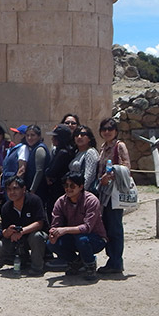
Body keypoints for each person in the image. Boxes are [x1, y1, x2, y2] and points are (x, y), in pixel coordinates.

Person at [47, 172, 108, 280]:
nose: (68, 189)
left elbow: (87, 228)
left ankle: (90, 265)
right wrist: (53, 233)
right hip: (73, 236)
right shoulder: (60, 202)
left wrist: (64, 230)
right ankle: (76, 262)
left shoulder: (91, 200)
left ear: (81, 187)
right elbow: (55, 223)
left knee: (82, 239)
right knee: (51, 243)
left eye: (72, 186)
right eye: (66, 185)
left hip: (95, 238)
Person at [96, 117, 131, 274]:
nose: (107, 132)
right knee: (107, 225)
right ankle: (112, 260)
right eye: (104, 129)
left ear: (116, 131)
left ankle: (116, 261)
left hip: (114, 192)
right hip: (104, 192)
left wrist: (109, 176)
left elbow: (126, 167)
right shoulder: (103, 147)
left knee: (115, 226)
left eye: (110, 129)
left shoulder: (119, 146)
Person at [0, 176, 47, 276]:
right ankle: (22, 260)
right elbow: (4, 233)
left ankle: (37, 267)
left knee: (36, 237)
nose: (12, 192)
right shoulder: (6, 207)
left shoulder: (34, 200)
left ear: (24, 189)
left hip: (35, 235)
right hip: (18, 239)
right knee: (0, 246)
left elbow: (40, 223)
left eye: (15, 188)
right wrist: (8, 232)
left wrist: (22, 231)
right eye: (9, 189)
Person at [45, 124, 76, 214]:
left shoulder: (63, 153)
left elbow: (51, 171)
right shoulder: (61, 150)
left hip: (58, 188)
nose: (52, 140)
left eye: (55, 137)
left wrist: (47, 173)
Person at [69, 125, 100, 195]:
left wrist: (79, 192)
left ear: (89, 138)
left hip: (83, 194)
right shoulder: (77, 152)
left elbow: (89, 176)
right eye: (76, 135)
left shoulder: (90, 152)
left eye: (83, 135)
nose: (79, 137)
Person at [23, 125, 50, 202]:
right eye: (27, 135)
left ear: (39, 136)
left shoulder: (39, 149)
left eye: (32, 135)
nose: (29, 138)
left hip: (39, 190)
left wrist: (32, 190)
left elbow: (39, 171)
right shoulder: (32, 148)